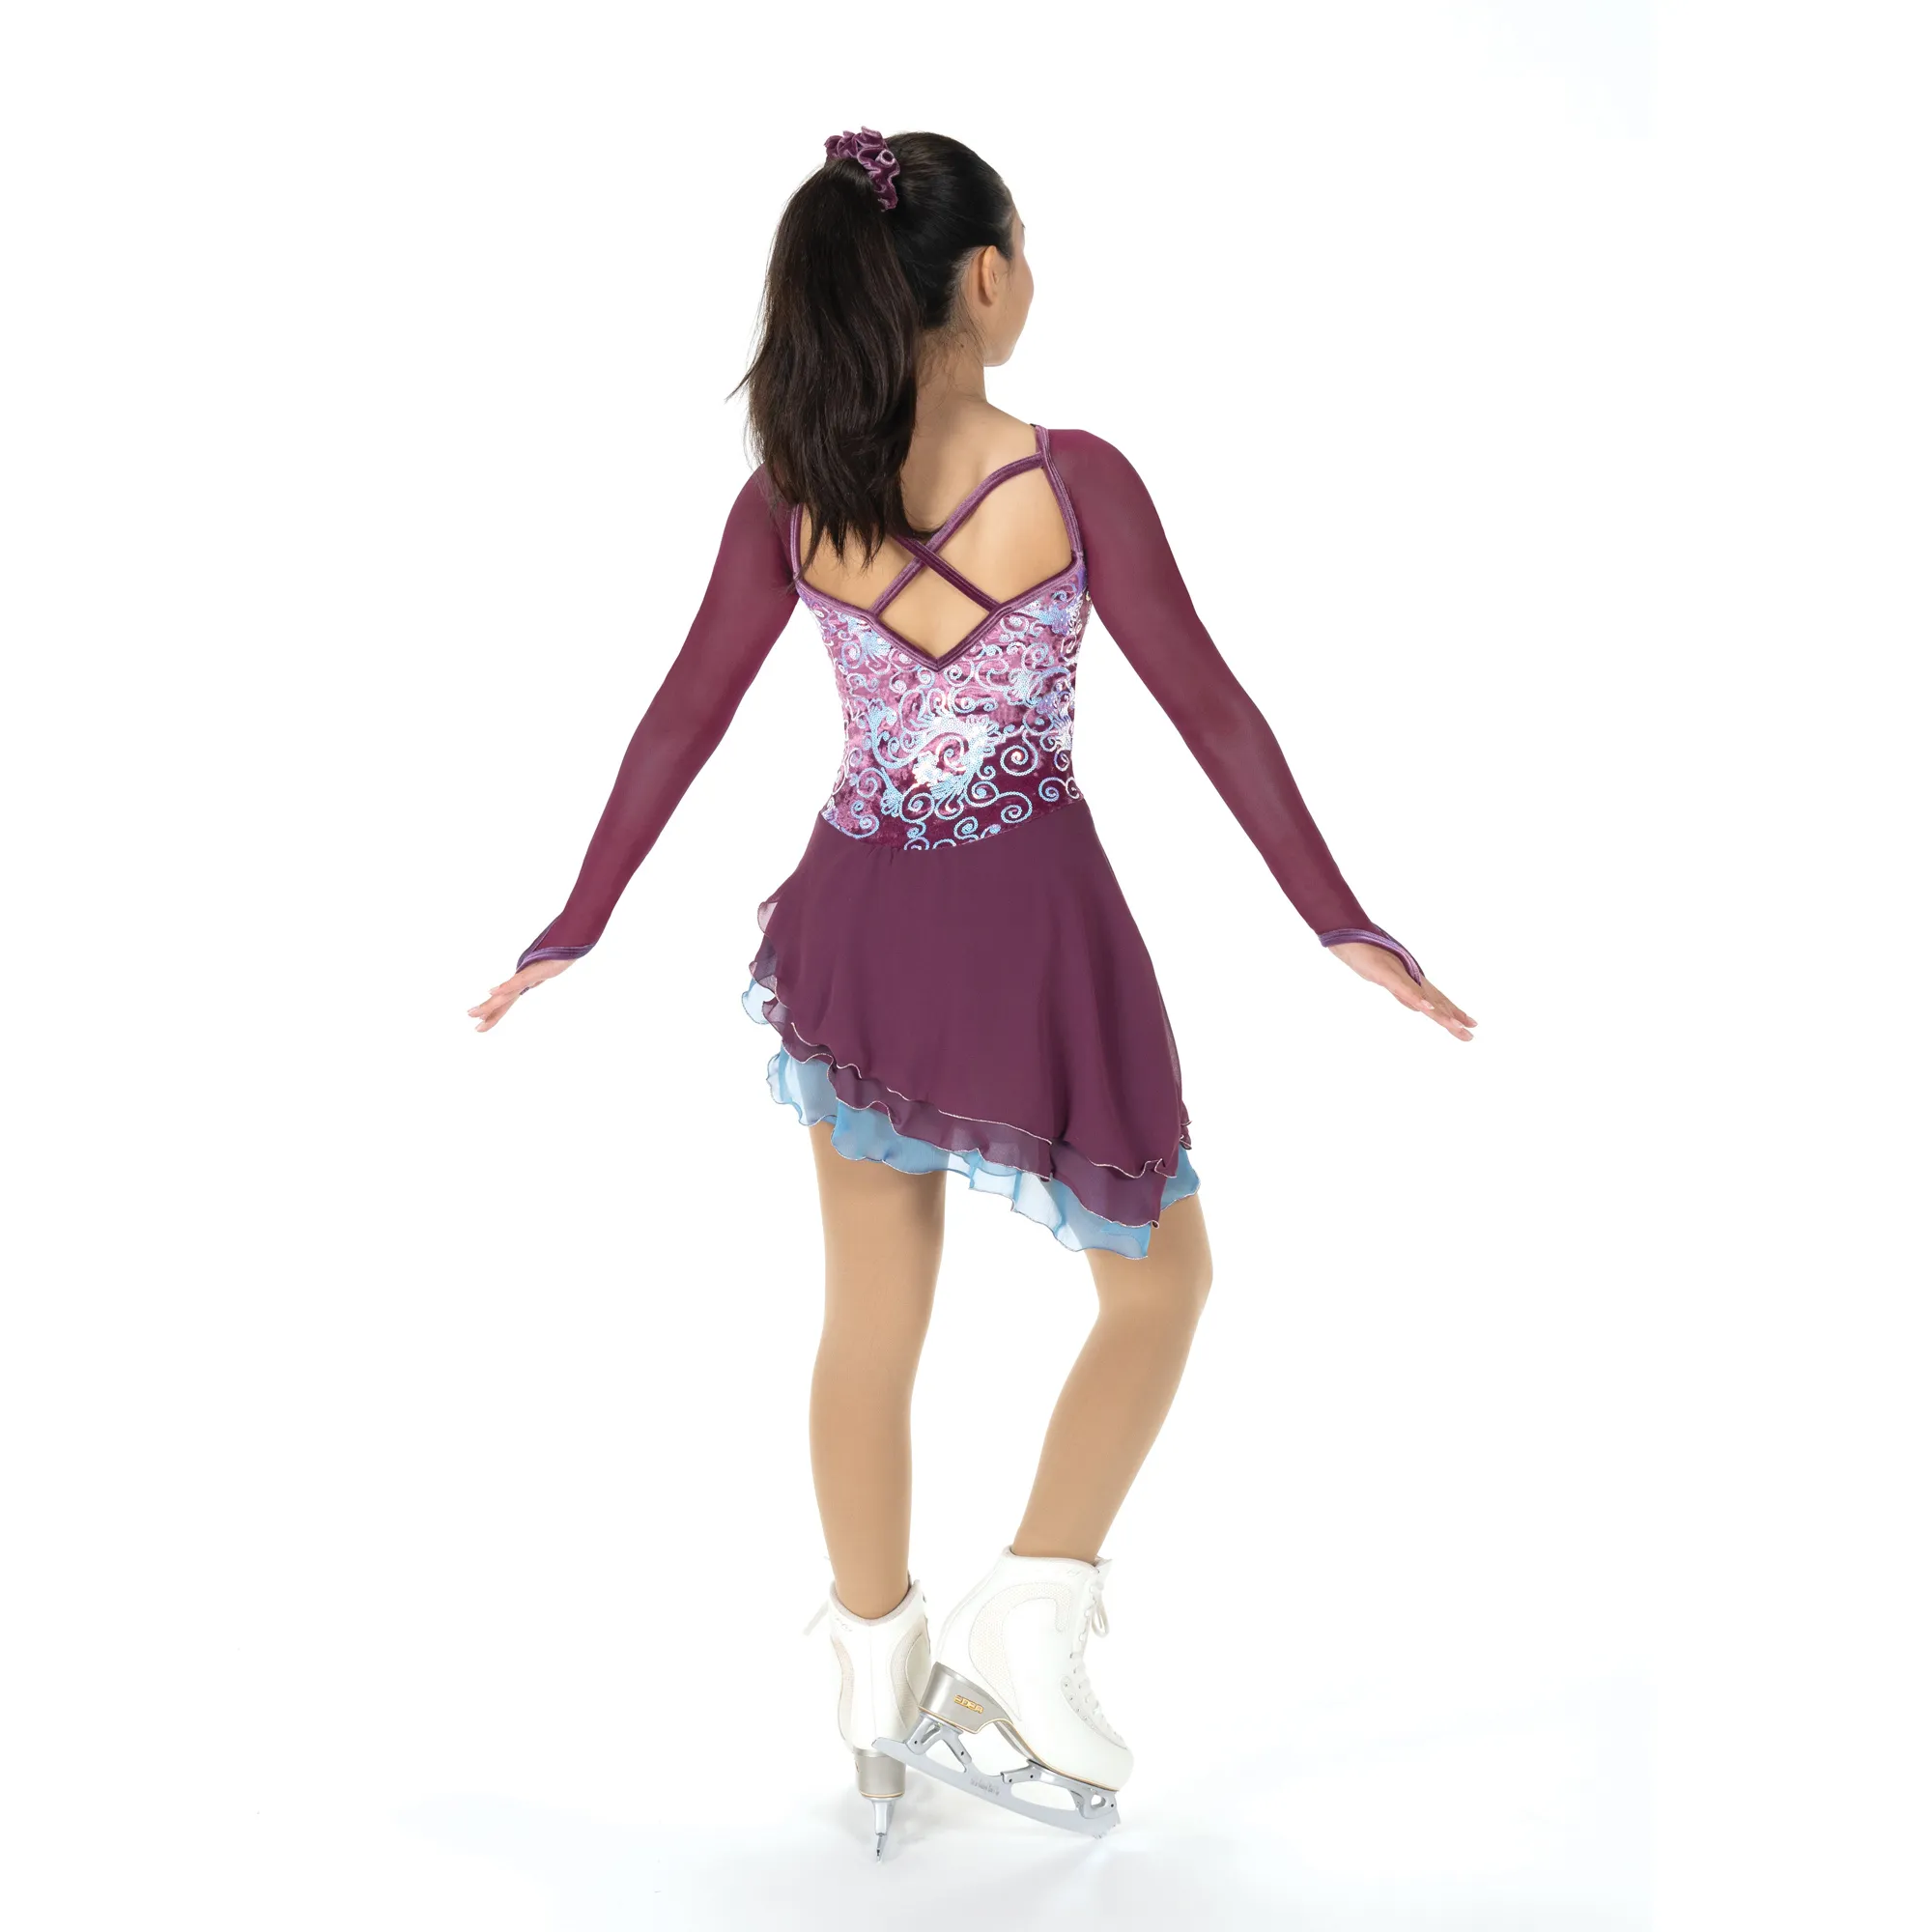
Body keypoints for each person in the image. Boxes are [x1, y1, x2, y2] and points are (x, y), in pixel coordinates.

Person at [469, 127, 1474, 1856]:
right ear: (987, 276)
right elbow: (1214, 709)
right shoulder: (1071, 481)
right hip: (1037, 930)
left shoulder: (794, 498)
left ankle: (875, 1675)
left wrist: (578, 919)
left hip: (860, 926)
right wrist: (1339, 918)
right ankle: (1034, 1604)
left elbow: (679, 716)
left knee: (870, 1323)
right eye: (1030, 249)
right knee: (1160, 1284)